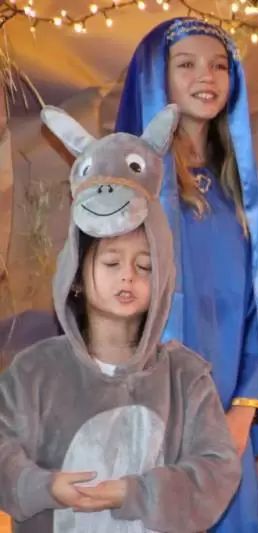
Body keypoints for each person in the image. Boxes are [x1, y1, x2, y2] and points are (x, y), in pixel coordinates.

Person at [114, 17, 258, 532]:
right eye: (186, 64)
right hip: (149, 418)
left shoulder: (240, 194)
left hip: (225, 423)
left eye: (219, 66)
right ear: (156, 78)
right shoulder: (127, 189)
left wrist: (240, 415)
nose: (206, 76)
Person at [0, 104, 240, 532]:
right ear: (76, 275)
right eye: (111, 263)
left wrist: (138, 492)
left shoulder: (185, 378)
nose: (128, 275)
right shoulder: (34, 372)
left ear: (162, 279)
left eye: (144, 266)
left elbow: (217, 469)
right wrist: (43, 487)